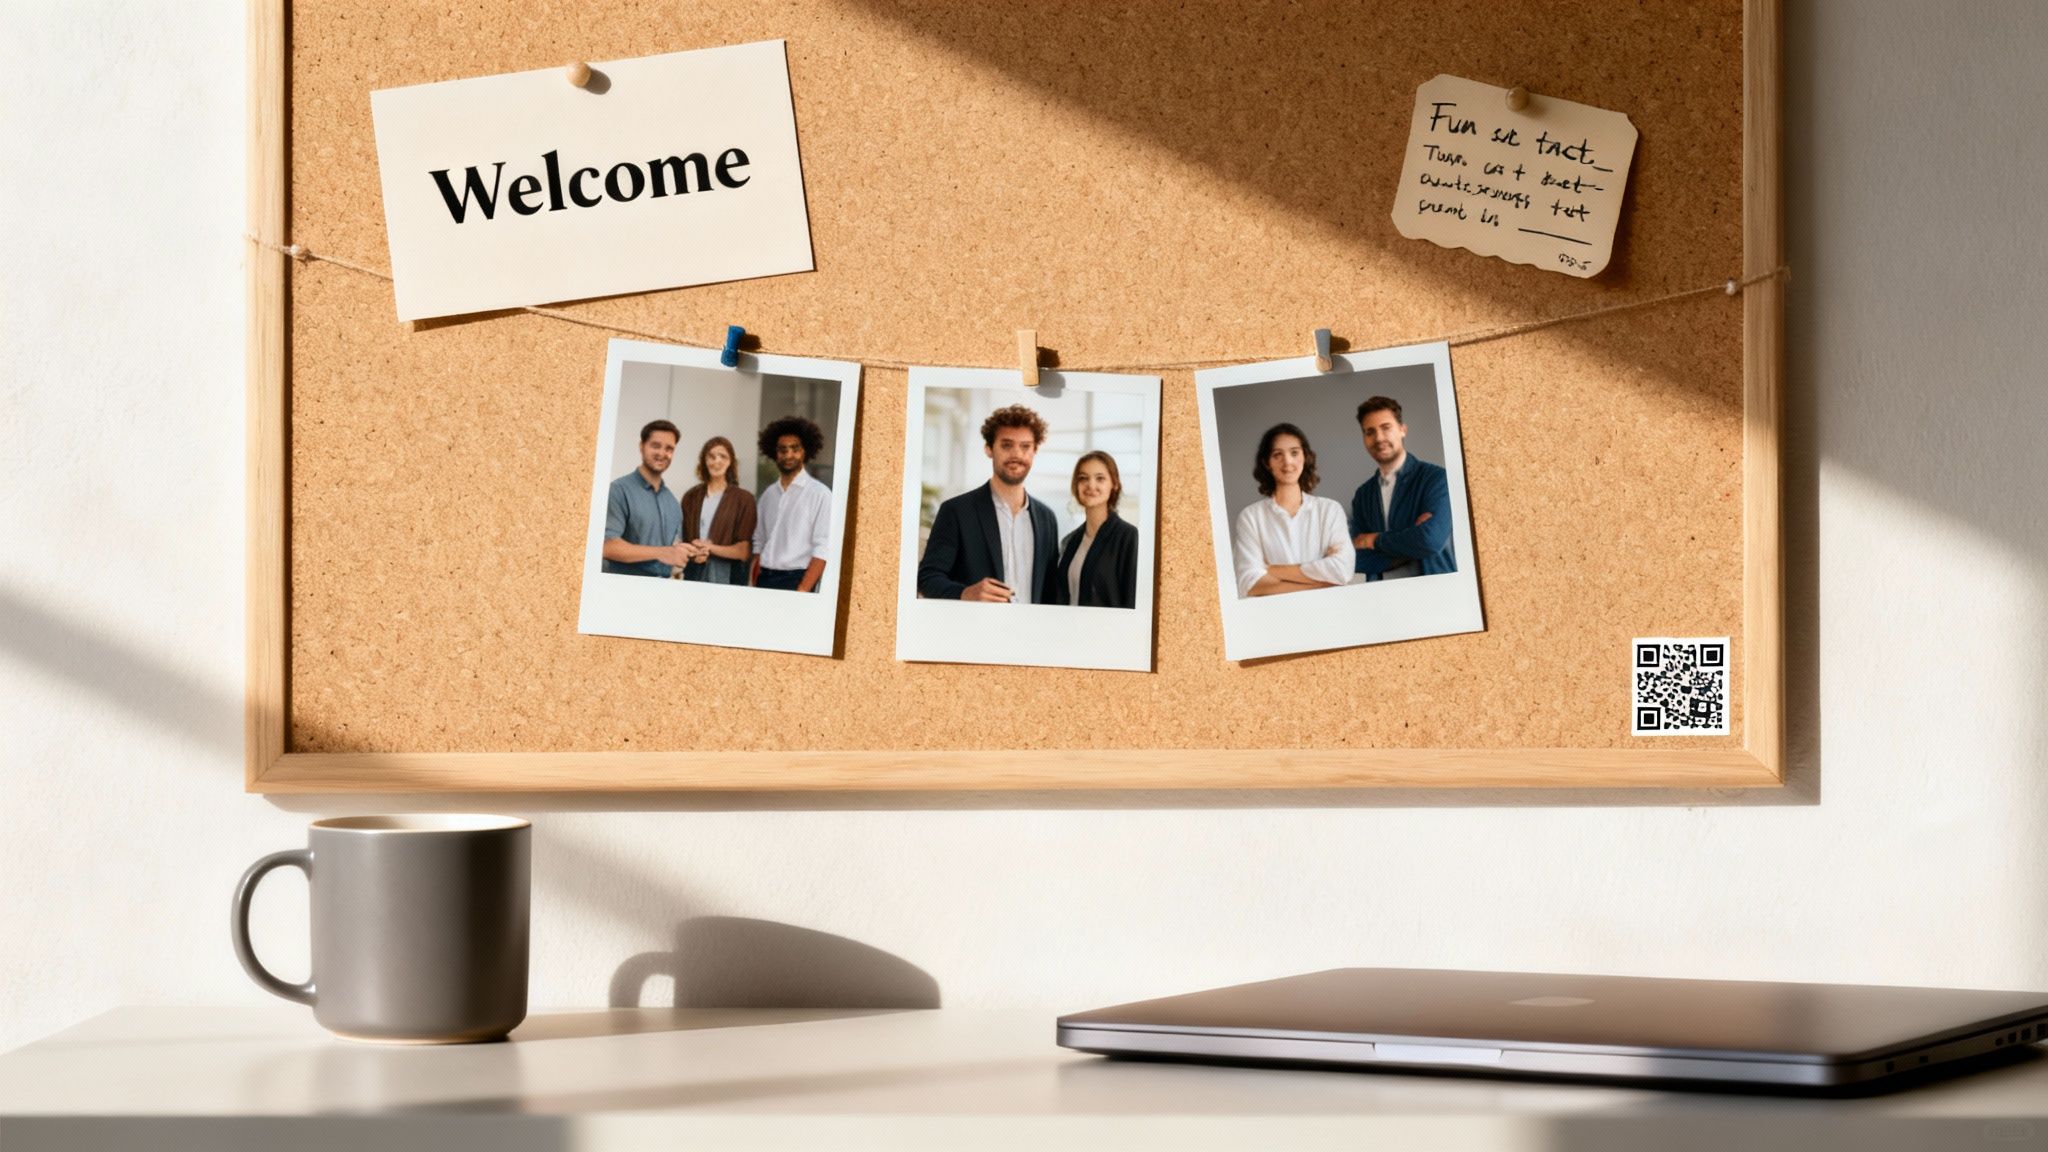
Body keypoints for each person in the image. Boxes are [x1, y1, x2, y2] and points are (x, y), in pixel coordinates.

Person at [917, 404, 1059, 603]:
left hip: (1031, 632)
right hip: (975, 630)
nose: (1017, 454)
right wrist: (964, 593)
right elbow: (927, 578)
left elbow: (1050, 590)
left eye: (1025, 446)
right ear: (989, 449)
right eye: (1007, 445)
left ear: (1034, 450)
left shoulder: (1047, 518)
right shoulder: (956, 511)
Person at [1231, 423, 1353, 598]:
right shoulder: (1251, 517)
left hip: (1327, 611)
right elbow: (1250, 583)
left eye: (1294, 452)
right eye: (1277, 455)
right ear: (1267, 463)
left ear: (1305, 457)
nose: (1287, 461)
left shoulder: (1329, 510)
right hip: (1275, 617)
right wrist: (1323, 582)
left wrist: (1272, 570)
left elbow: (1342, 570)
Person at [1348, 396, 1455, 580]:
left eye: (1386, 427)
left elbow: (1430, 540)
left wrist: (1374, 540)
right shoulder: (1363, 495)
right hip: (1384, 599)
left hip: (1435, 593)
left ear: (1402, 430)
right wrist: (1411, 540)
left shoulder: (1437, 479)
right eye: (1369, 432)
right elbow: (1353, 559)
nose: (1378, 437)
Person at [1043, 450, 1138, 609]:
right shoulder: (1070, 541)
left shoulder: (1128, 537)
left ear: (1114, 484)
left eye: (1100, 478)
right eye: (1083, 478)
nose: (1091, 485)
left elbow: (1131, 602)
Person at [749, 415, 833, 592]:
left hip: (796, 580)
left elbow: (822, 548)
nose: (788, 455)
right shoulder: (768, 495)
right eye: (782, 450)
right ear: (775, 453)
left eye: (795, 449)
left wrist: (802, 590)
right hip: (764, 579)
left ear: (805, 451)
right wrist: (755, 579)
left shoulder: (820, 494)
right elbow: (759, 541)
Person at [601, 419, 688, 578]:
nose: (662, 453)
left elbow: (673, 548)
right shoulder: (618, 490)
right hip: (624, 591)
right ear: (642, 447)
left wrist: (688, 552)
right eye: (656, 445)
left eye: (669, 448)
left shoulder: (673, 503)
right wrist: (663, 552)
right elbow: (607, 546)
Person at [676, 435, 757, 586]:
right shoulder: (690, 497)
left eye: (723, 457)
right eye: (711, 457)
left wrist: (710, 548)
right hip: (693, 576)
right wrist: (694, 554)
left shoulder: (744, 499)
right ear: (704, 461)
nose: (716, 461)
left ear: (730, 461)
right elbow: (683, 541)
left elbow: (743, 551)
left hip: (729, 579)